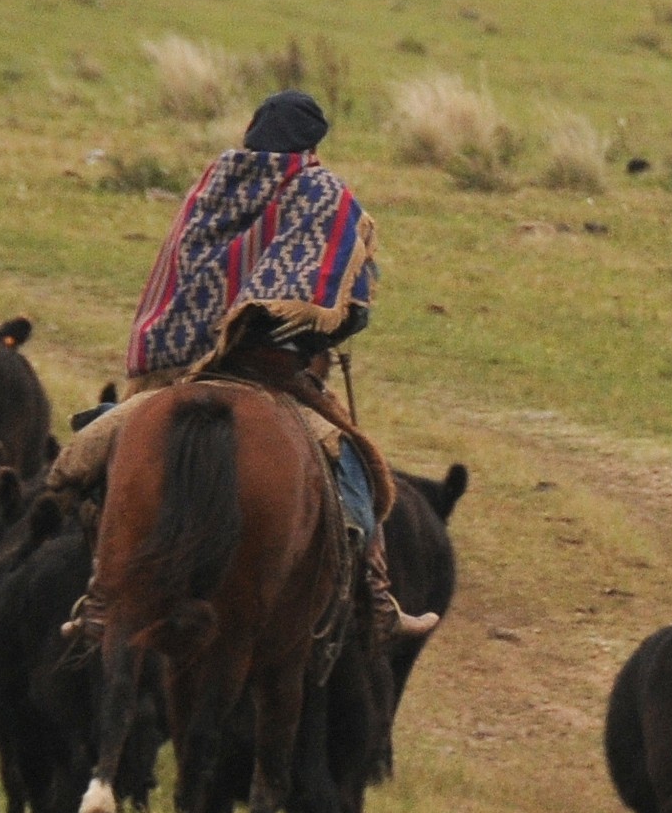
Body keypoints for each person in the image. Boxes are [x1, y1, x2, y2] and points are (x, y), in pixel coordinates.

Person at [55, 88, 433, 640]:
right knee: (353, 463)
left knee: (99, 449)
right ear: (312, 143)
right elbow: (347, 295)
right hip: (272, 373)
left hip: (180, 372)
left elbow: (179, 274)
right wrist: (337, 321)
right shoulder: (321, 192)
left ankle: (101, 593)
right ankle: (375, 595)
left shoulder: (213, 184)